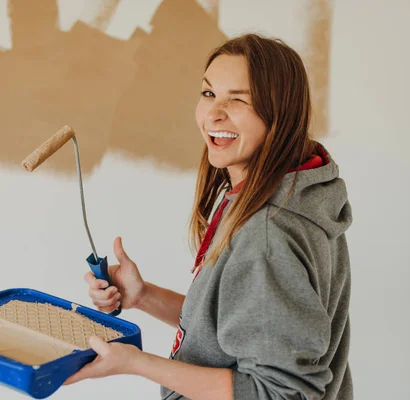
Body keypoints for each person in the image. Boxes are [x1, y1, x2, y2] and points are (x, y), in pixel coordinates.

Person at [64, 33, 353, 400]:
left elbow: (279, 394)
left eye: (238, 100)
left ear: (279, 113)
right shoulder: (287, 192)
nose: (214, 114)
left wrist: (135, 362)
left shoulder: (267, 233)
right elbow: (236, 324)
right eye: (208, 93)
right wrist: (143, 295)